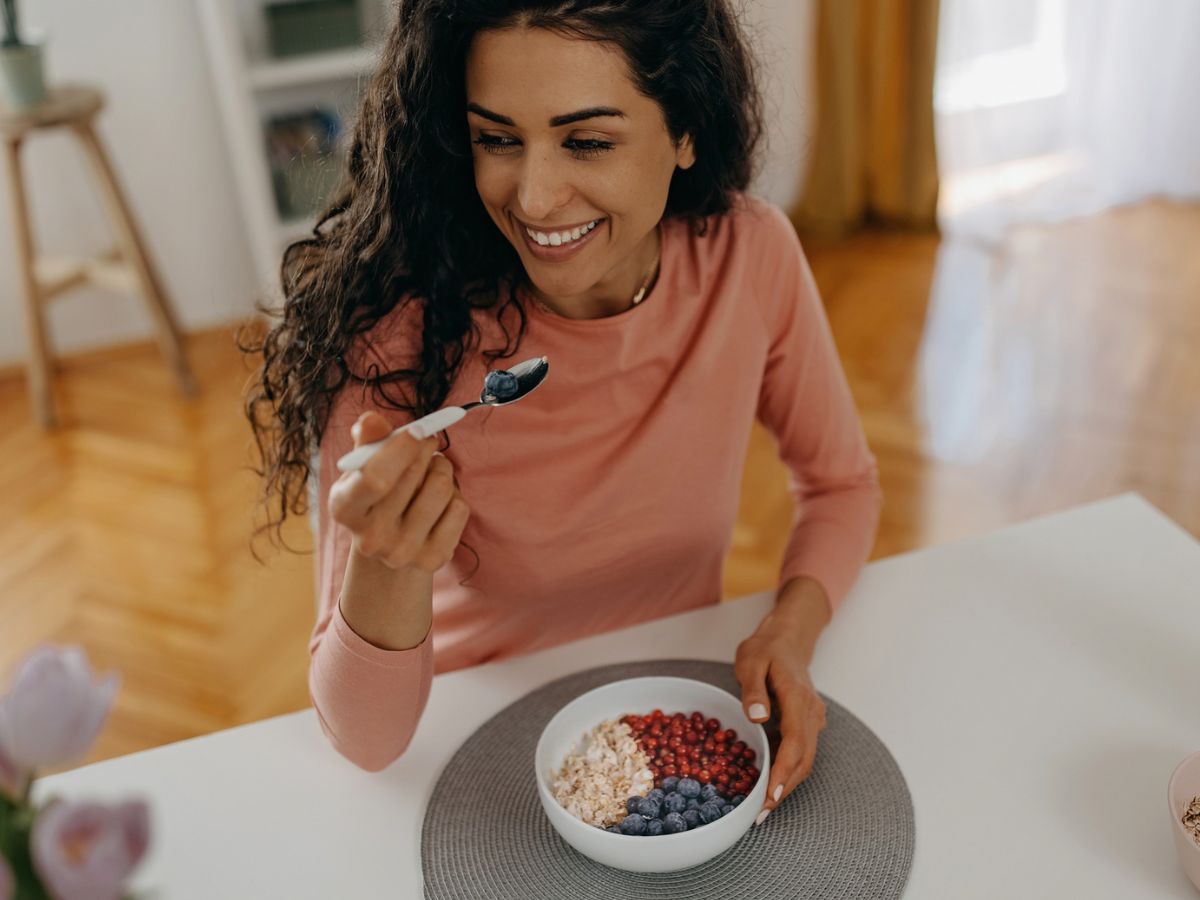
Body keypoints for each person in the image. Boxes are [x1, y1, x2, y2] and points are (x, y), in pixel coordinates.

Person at [243, 0, 881, 829]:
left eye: (588, 140)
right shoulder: (399, 337)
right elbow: (365, 742)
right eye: (498, 139)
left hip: (670, 704)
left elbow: (841, 485)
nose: (536, 199)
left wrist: (788, 634)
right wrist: (387, 561)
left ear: (685, 131)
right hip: (465, 742)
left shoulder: (749, 255)